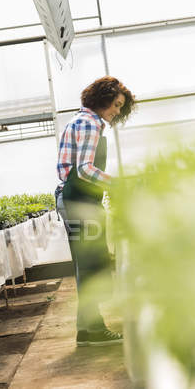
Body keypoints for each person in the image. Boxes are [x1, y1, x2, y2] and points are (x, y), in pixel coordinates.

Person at [55, 76, 135, 347]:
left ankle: (86, 330)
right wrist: (118, 184)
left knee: (85, 265)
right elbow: (84, 170)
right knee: (89, 266)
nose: (117, 111)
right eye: (115, 104)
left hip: (76, 198)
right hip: (79, 200)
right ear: (102, 100)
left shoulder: (80, 121)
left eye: (120, 107)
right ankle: (94, 329)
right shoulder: (90, 124)